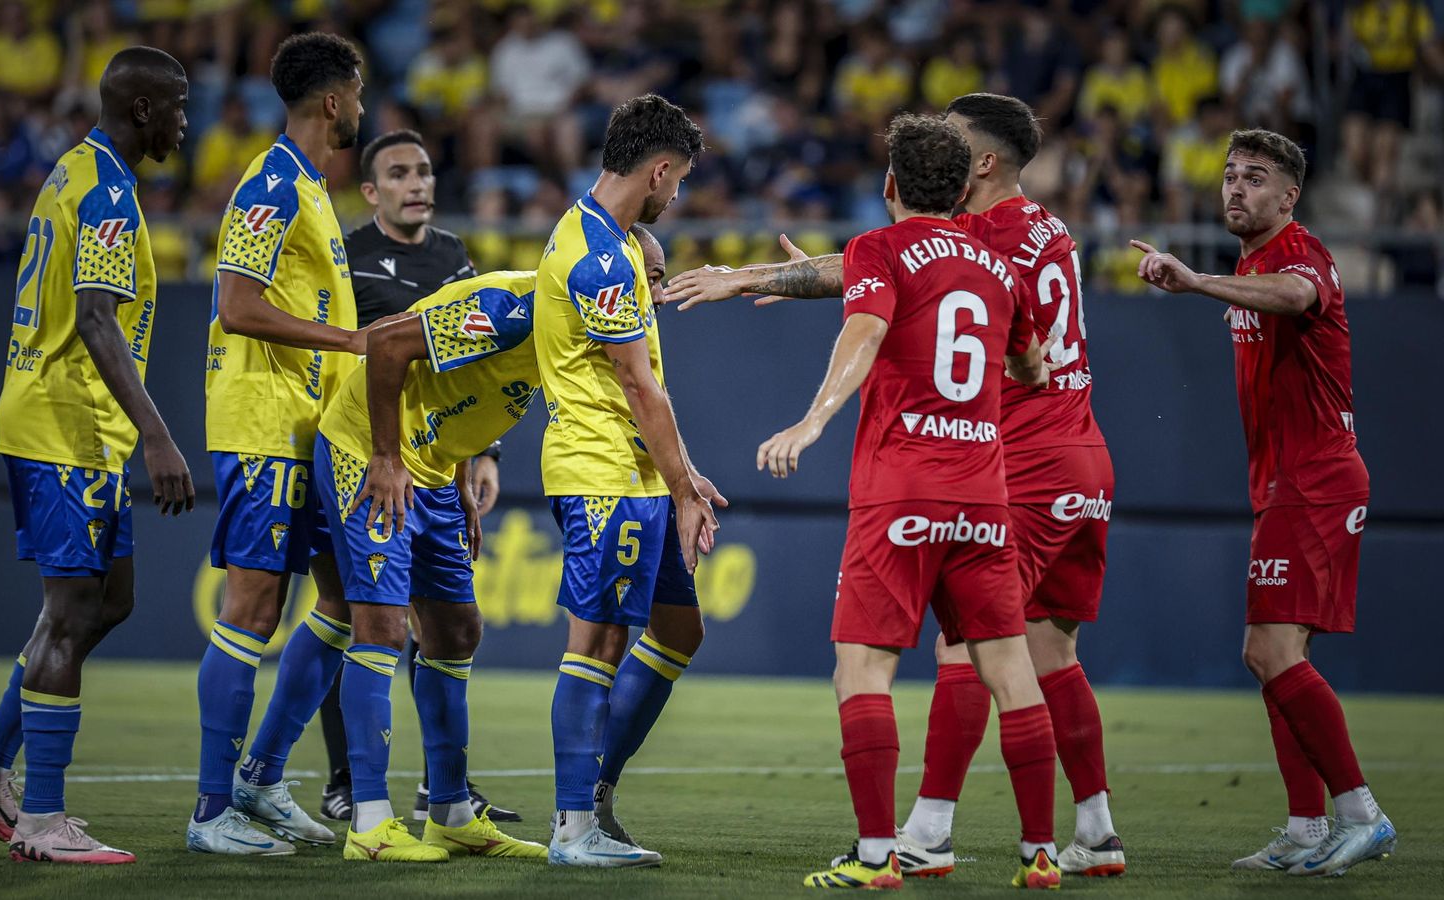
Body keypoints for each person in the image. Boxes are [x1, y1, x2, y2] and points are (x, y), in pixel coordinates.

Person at [666, 93, 1126, 879]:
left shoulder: (982, 232)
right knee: (1045, 651)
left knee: (962, 651)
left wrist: (758, 278)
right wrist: (805, 278)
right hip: (1073, 453)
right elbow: (931, 295)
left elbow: (881, 277)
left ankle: (925, 833)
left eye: (954, 139)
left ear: (981, 162)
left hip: (1014, 458)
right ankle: (1088, 833)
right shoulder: (1042, 228)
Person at [746, 113, 1060, 890]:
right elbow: (1034, 368)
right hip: (985, 499)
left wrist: (813, 419)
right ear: (961, 190)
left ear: (890, 185)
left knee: (862, 672)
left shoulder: (878, 249)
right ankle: (1041, 854)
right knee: (1013, 675)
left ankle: (878, 856)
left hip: (901, 496)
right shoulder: (998, 265)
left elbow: (863, 329)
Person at [0, 46, 195, 864]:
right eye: (178, 105)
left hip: (74, 424)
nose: (186, 120)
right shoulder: (110, 188)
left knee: (108, 600)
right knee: (72, 610)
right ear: (144, 109)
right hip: (67, 424)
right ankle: (42, 818)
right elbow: (94, 317)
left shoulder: (73, 171)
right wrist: (157, 432)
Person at [1131, 128, 1395, 877]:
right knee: (1279, 657)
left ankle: (1359, 814)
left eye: (1256, 178)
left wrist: (1200, 282)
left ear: (1290, 196)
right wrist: (1228, 292)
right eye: (1230, 175)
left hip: (1314, 478)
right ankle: (1308, 828)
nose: (1236, 188)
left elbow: (1299, 294)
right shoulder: (1254, 261)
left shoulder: (1295, 253)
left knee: (1267, 651)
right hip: (1287, 480)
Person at [188, 32, 368, 856]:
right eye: (357, 94)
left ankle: (261, 776)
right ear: (333, 100)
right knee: (253, 608)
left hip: (310, 430)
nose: (362, 109)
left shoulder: (313, 190)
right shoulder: (270, 183)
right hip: (263, 422)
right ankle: (210, 809)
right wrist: (349, 342)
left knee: (341, 598)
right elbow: (234, 303)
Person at [535, 93, 724, 868]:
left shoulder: (602, 240)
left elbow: (640, 391)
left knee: (679, 629)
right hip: (605, 474)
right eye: (676, 181)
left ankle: (596, 792)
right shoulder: (599, 256)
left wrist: (681, 473)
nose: (675, 196)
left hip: (636, 473)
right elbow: (639, 388)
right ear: (658, 168)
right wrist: (680, 490)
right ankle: (573, 826)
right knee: (600, 641)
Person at [320, 127, 515, 825]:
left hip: (433, 459)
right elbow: (357, 356)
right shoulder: (348, 258)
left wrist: (479, 458)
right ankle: (346, 784)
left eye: (425, 172)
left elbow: (470, 375)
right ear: (371, 191)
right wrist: (378, 453)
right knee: (352, 615)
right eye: (399, 174)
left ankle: (444, 790)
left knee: (443, 624)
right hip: (362, 453)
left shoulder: (453, 258)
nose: (418, 185)